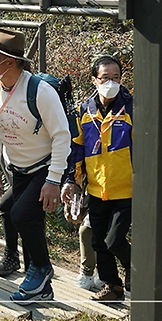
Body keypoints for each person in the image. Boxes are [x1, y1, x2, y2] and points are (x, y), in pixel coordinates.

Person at [0, 28, 72, 305]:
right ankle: (40, 287)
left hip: (44, 165)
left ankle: (42, 269)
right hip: (16, 166)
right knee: (15, 211)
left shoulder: (39, 91)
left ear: (10, 62)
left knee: (20, 214)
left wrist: (54, 180)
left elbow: (62, 136)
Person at [61, 55, 133, 303]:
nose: (111, 82)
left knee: (115, 241)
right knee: (99, 242)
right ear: (94, 80)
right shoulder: (85, 110)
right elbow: (77, 147)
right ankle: (113, 287)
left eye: (116, 78)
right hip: (97, 188)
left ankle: (136, 271)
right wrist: (71, 179)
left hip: (127, 189)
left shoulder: (133, 107)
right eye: (105, 78)